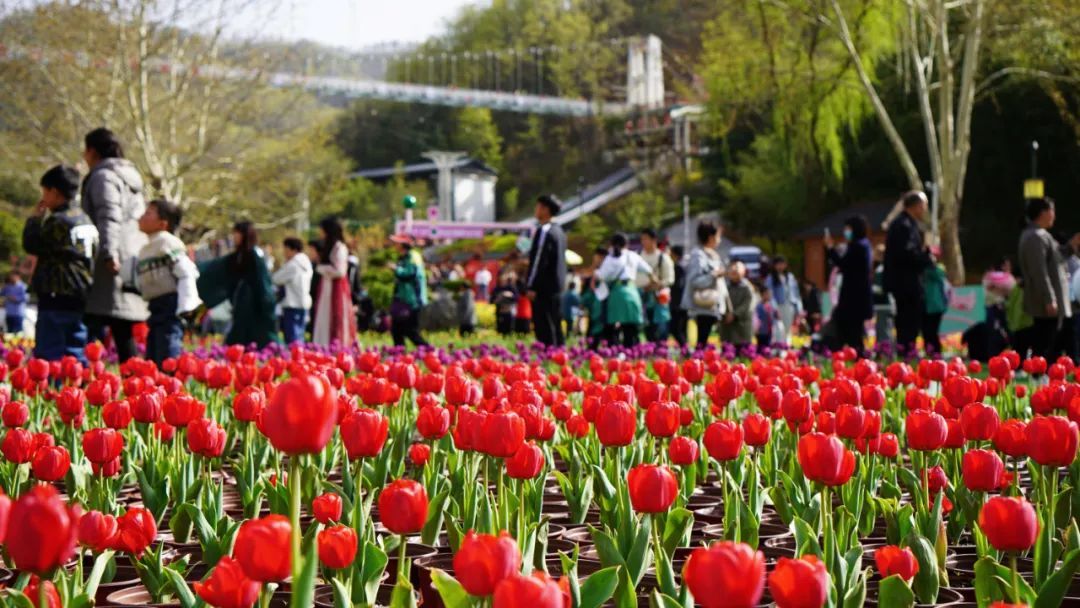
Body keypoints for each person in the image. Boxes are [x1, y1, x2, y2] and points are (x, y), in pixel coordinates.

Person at [80, 128, 149, 362]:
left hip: (111, 256)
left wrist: (109, 253)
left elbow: (108, 216)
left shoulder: (104, 176)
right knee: (122, 327)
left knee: (93, 320)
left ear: (92, 151)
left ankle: (84, 376)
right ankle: (135, 378)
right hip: (132, 255)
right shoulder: (131, 177)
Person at [22, 166, 98, 361]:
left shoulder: (58, 221)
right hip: (81, 292)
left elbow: (32, 244)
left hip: (56, 290)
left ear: (54, 192)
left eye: (45, 192)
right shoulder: (86, 220)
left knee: (50, 348)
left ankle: (55, 381)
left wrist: (35, 219)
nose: (43, 198)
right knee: (75, 345)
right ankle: (77, 378)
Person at [134, 199, 201, 366]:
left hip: (170, 303)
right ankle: (158, 374)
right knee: (154, 346)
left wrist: (187, 303)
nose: (141, 217)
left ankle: (169, 374)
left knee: (168, 344)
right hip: (154, 304)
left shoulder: (167, 242)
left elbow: (186, 271)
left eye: (148, 213)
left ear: (162, 224)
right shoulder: (147, 247)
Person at [196, 221, 279, 347]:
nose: (234, 236)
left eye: (237, 233)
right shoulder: (239, 255)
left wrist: (266, 302)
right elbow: (218, 268)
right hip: (241, 303)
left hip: (255, 304)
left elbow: (262, 282)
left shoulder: (254, 254)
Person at [1017, 197, 1080, 360]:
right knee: (1044, 344)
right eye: (1052, 211)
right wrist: (1049, 298)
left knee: (1049, 342)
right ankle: (1039, 373)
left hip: (1049, 303)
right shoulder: (1035, 236)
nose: (1054, 215)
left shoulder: (1041, 235)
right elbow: (1039, 271)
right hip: (1046, 304)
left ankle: (1044, 371)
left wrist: (1071, 246)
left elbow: (1056, 258)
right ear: (1044, 212)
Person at [883, 190, 933, 353]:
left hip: (906, 283)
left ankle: (906, 351)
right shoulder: (904, 225)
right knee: (908, 322)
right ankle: (906, 352)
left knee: (908, 321)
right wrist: (926, 256)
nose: (925, 210)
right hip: (906, 284)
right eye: (924, 205)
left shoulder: (907, 224)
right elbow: (906, 254)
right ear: (916, 206)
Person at [825, 215, 874, 351]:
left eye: (848, 229)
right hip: (859, 297)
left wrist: (830, 248)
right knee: (854, 332)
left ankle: (853, 356)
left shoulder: (858, 246)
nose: (845, 232)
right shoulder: (865, 245)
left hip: (853, 298)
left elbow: (844, 265)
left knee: (851, 332)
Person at [525, 195, 568, 347]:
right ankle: (559, 354)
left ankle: (547, 355)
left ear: (546, 209)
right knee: (555, 325)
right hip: (557, 286)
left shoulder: (545, 231)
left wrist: (531, 285)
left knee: (544, 327)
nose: (535, 210)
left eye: (538, 207)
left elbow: (539, 261)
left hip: (543, 287)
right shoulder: (560, 231)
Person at [597, 233, 652, 347]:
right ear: (626, 244)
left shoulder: (610, 258)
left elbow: (602, 275)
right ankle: (631, 350)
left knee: (613, 325)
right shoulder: (633, 255)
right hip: (632, 292)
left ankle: (613, 350)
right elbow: (649, 270)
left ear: (612, 244)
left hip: (616, 293)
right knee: (631, 326)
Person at [682, 221, 728, 350]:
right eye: (718, 236)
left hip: (712, 306)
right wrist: (713, 275)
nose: (719, 240)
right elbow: (694, 280)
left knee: (705, 341)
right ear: (711, 237)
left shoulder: (712, 254)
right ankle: (698, 360)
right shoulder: (698, 255)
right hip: (703, 305)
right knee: (702, 341)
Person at [312, 217, 356, 347]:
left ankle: (335, 346)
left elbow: (340, 271)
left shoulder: (339, 248)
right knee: (324, 318)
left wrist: (321, 268)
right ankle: (322, 346)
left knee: (335, 318)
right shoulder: (330, 246)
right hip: (326, 288)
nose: (320, 232)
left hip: (335, 290)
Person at [389, 235, 429, 348]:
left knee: (411, 330)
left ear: (403, 244)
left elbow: (410, 274)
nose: (394, 245)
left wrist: (396, 269)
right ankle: (399, 354)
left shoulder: (413, 256)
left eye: (397, 242)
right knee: (396, 330)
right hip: (402, 299)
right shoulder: (402, 257)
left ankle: (428, 351)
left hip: (413, 300)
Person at [272, 237, 313, 345]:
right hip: (304, 304)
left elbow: (276, 279)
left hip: (292, 305)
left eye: (286, 250)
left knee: (292, 337)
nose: (284, 253)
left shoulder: (293, 264)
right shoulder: (306, 262)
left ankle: (294, 355)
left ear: (293, 250)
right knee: (300, 334)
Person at [637, 228, 675, 342]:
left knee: (660, 328)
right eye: (642, 239)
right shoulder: (638, 256)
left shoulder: (663, 257)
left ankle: (659, 348)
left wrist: (656, 285)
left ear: (654, 240)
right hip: (641, 298)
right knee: (646, 328)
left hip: (658, 298)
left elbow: (670, 279)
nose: (643, 242)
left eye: (645, 239)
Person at [720, 262, 754, 350]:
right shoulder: (724, 286)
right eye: (732, 271)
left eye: (736, 271)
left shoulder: (747, 287)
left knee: (743, 351)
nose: (734, 273)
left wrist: (734, 314)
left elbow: (747, 304)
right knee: (727, 351)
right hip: (727, 323)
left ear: (743, 272)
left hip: (742, 323)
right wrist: (725, 314)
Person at [922, 253, 950, 355]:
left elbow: (938, 275)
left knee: (932, 331)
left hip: (936, 307)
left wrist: (930, 266)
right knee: (926, 331)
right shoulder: (924, 271)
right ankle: (930, 351)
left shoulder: (936, 271)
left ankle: (935, 351)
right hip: (926, 306)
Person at [983, 258, 1016, 333]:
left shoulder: (1010, 278)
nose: (1009, 267)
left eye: (1009, 265)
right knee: (994, 327)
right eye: (1006, 265)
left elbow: (1012, 292)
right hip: (993, 306)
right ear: (1001, 266)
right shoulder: (991, 277)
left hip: (1005, 306)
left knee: (1006, 327)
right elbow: (988, 288)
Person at [871, 244, 895, 349]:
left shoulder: (881, 269)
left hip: (883, 304)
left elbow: (881, 288)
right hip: (883, 304)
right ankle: (883, 350)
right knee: (883, 328)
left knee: (883, 329)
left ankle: (885, 351)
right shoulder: (883, 267)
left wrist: (870, 289)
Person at [670, 245, 688, 347]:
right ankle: (685, 349)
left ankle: (685, 348)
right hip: (683, 303)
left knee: (675, 329)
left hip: (678, 304)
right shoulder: (684, 265)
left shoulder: (678, 267)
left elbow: (678, 285)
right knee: (682, 329)